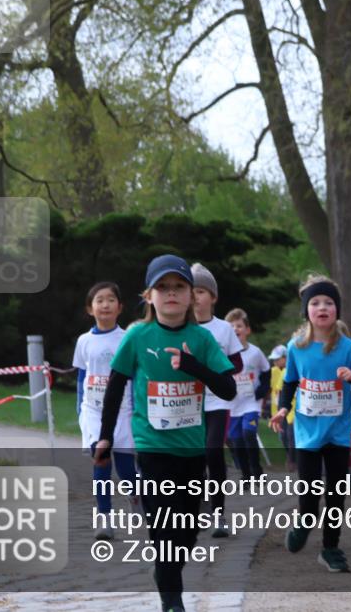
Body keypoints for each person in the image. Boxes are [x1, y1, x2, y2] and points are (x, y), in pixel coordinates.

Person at [93, 254, 238, 612]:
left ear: (191, 296)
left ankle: (167, 572)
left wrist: (193, 366)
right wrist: (106, 436)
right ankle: (172, 599)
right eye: (162, 287)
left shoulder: (201, 339)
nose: (170, 293)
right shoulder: (139, 336)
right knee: (165, 525)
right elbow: (115, 387)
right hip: (152, 447)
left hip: (191, 450)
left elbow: (228, 389)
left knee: (186, 532)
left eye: (179, 287)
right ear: (149, 296)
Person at [269, 275, 351, 573]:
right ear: (307, 311)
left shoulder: (349, 348)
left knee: (336, 493)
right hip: (306, 434)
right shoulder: (296, 347)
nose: (322, 307)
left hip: (338, 433)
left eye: (329, 302)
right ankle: (303, 525)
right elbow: (289, 383)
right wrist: (282, 409)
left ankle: (330, 548)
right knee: (310, 495)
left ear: (337, 310)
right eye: (315, 302)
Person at [73, 281, 137, 540]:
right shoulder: (84, 341)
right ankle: (105, 518)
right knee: (101, 462)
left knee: (126, 470)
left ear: (120, 307)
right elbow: (81, 376)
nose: (105, 304)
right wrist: (80, 408)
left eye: (111, 299)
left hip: (122, 412)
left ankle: (137, 496)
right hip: (93, 413)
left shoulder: (128, 339)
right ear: (90, 308)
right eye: (99, 300)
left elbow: (135, 376)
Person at [190, 262, 244, 537]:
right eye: (192, 291)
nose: (196, 296)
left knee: (213, 451)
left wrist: (214, 371)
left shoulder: (223, 329)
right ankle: (196, 506)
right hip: (187, 402)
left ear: (212, 297)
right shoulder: (181, 327)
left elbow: (237, 364)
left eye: (201, 291)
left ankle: (220, 513)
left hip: (218, 400)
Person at [223, 308, 271, 481]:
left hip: (251, 403)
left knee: (249, 433)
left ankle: (257, 471)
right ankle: (245, 474)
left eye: (239, 326)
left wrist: (261, 391)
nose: (236, 330)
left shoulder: (255, 352)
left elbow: (266, 372)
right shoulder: (223, 354)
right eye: (231, 327)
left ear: (247, 330)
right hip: (232, 405)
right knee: (237, 441)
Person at [268, 344, 294, 470]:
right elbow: (273, 389)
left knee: (291, 436)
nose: (275, 361)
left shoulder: (289, 369)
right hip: (278, 410)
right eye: (274, 359)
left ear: (285, 357)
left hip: (292, 409)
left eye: (278, 359)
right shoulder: (274, 371)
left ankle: (294, 461)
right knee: (283, 436)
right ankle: (290, 458)